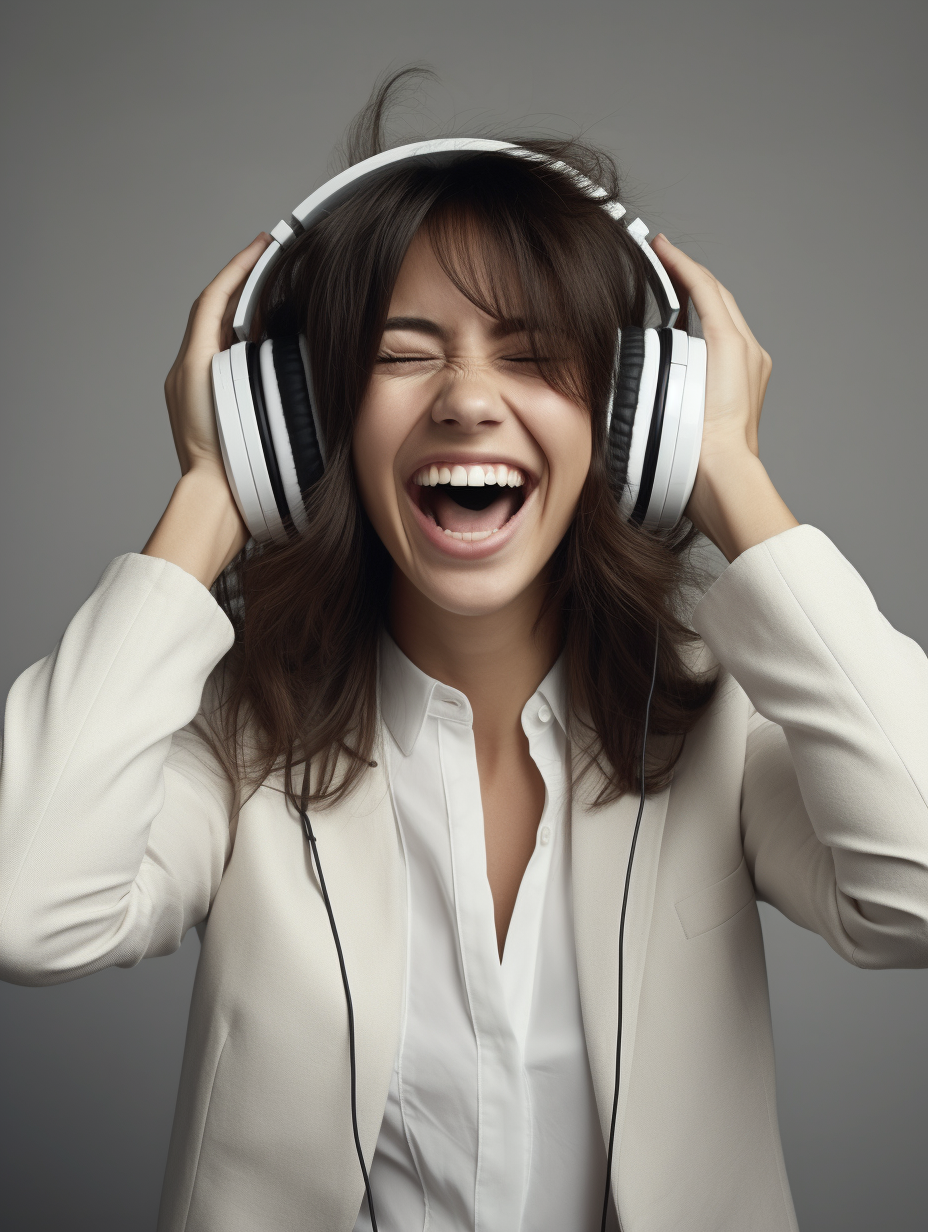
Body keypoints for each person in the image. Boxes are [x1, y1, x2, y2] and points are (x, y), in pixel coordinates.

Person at [2, 76, 928, 1232]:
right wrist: (208, 488)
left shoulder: (717, 722)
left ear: (633, 422)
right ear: (307, 423)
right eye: (404, 355)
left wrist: (733, 476)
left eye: (534, 356)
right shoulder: (240, 738)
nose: (468, 401)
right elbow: (24, 907)